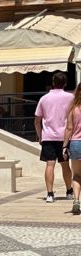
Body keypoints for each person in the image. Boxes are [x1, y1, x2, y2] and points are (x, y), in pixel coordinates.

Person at [35, 72, 74, 203]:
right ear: (65, 83)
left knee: (49, 164)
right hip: (65, 137)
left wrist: (40, 135)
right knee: (65, 165)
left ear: (53, 82)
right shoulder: (70, 98)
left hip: (48, 136)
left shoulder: (44, 98)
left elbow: (37, 120)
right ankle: (69, 191)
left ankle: (50, 194)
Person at [63, 83, 81, 215]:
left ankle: (76, 201)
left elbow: (69, 128)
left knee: (77, 175)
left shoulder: (73, 109)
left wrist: (64, 145)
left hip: (76, 143)